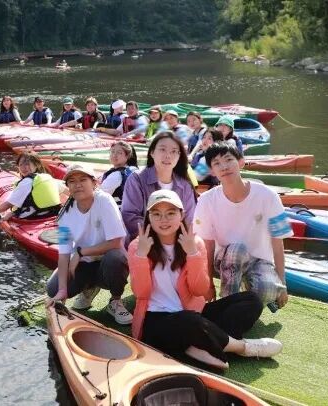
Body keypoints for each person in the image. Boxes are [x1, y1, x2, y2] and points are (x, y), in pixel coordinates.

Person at [129, 190, 282, 369]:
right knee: (188, 321)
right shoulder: (137, 246)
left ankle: (199, 344)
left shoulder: (195, 243)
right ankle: (242, 348)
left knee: (251, 300)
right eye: (156, 214)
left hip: (193, 312)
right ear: (149, 217)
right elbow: (141, 293)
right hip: (155, 319)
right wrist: (141, 256)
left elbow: (199, 290)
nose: (163, 220)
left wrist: (192, 254)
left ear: (181, 215)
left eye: (170, 213)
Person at [193, 142, 292, 307]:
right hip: (225, 258)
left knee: (268, 291)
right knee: (236, 251)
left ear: (241, 162)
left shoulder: (269, 196)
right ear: (212, 171)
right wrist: (208, 283)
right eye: (217, 163)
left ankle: (249, 295)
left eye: (228, 160)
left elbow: (278, 240)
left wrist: (282, 283)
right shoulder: (206, 200)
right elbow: (207, 245)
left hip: (259, 261)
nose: (224, 167)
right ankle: (227, 303)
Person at [45, 164, 132, 324]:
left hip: (107, 261)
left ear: (94, 183)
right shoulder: (64, 213)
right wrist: (63, 289)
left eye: (83, 179)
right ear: (68, 187)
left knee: (116, 257)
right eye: (72, 181)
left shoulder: (104, 201)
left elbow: (116, 242)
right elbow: (63, 254)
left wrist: (80, 253)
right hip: (84, 264)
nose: (77, 185)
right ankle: (89, 288)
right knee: (53, 288)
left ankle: (115, 300)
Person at [121, 131, 197, 246]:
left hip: (178, 245)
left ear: (179, 155)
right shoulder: (137, 179)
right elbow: (130, 216)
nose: (168, 156)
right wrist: (159, 238)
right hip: (144, 244)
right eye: (162, 149)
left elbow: (189, 220)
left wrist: (172, 240)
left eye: (174, 151)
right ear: (152, 152)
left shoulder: (185, 185)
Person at [0, 153, 63, 220]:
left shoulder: (27, 181)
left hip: (35, 216)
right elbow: (65, 189)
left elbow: (9, 204)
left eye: (27, 164)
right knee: (13, 212)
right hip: (54, 213)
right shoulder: (48, 177)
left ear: (37, 165)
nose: (23, 168)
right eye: (21, 164)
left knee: (11, 213)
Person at [100, 141, 139, 206]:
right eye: (112, 152)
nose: (114, 155)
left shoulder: (117, 175)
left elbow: (100, 197)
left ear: (127, 156)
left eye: (119, 153)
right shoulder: (133, 169)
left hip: (120, 209)